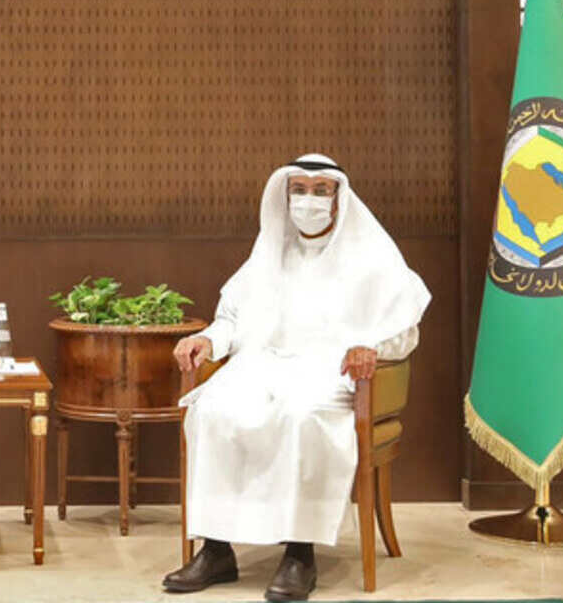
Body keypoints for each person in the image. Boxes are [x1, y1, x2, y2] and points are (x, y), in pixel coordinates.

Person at [162, 154, 429, 602]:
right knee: (211, 410)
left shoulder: (371, 257)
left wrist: (371, 348)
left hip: (330, 373)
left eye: (320, 191)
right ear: (284, 197)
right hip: (262, 364)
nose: (309, 201)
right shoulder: (271, 253)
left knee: (301, 416)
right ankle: (216, 550)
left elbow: (404, 328)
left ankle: (300, 554)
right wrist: (208, 340)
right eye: (299, 190)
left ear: (339, 198)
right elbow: (231, 319)